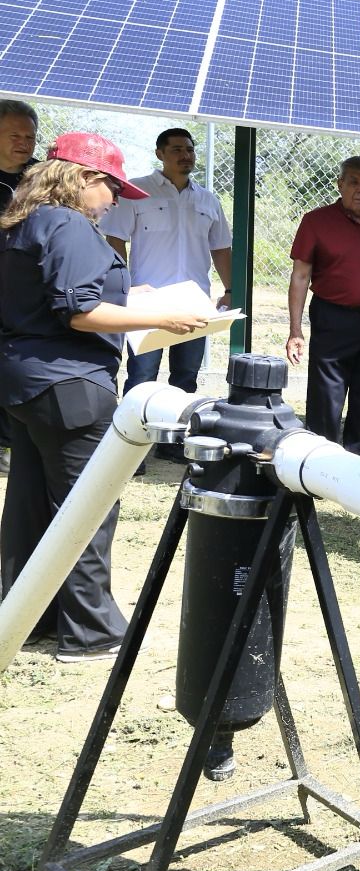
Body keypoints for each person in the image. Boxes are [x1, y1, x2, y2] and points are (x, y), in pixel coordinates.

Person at [0, 134, 210, 661]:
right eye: (111, 188)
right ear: (83, 178)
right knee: (87, 506)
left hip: (28, 381)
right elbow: (78, 311)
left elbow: (55, 295)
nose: (115, 200)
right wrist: (162, 317)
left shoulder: (25, 220)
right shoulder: (69, 223)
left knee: (30, 504)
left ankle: (27, 618)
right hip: (70, 383)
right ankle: (90, 632)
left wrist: (132, 296)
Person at [284, 156, 360, 573]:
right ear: (339, 184)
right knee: (326, 401)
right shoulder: (316, 221)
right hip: (333, 320)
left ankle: (356, 478)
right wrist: (295, 330)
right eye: (353, 182)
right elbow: (300, 276)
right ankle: (317, 477)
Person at [100, 128, 233, 463]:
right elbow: (115, 240)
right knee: (142, 376)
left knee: (185, 377)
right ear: (159, 153)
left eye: (189, 149)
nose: (185, 156)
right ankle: (130, 447)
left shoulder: (208, 200)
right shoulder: (136, 192)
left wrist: (230, 288)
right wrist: (124, 287)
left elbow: (221, 248)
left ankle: (172, 443)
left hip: (194, 302)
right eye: (176, 150)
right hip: (148, 301)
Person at [0, 98, 40, 477]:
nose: (24, 143)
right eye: (14, 135)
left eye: (29, 137)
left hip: (25, 291)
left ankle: (11, 443)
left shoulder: (41, 179)